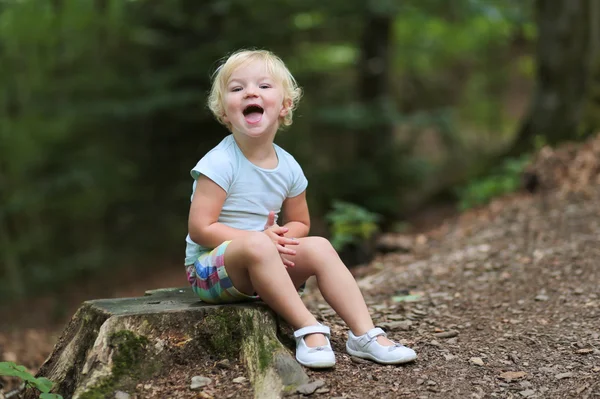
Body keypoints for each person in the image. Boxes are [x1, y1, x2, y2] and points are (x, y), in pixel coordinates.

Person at [184, 49, 417, 368]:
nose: (250, 92)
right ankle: (308, 327)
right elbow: (201, 228)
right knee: (254, 242)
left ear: (285, 106)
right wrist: (259, 240)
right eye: (237, 89)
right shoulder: (220, 163)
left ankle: (364, 334)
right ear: (225, 111)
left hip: (266, 266)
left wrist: (279, 238)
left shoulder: (289, 167)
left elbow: (300, 223)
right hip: (212, 271)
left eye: (264, 86)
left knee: (320, 246)